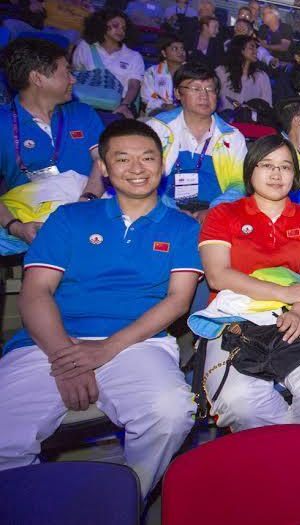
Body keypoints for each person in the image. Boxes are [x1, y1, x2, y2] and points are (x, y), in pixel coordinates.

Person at [0, 119, 200, 497]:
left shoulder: (182, 227)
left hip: (138, 342)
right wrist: (65, 357)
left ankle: (124, 499)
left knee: (171, 414)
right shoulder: (68, 218)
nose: (137, 168)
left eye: (148, 158)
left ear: (162, 165)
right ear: (104, 168)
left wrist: (106, 349)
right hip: (49, 341)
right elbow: (36, 292)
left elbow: (178, 300)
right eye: (123, 159)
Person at [196, 135, 300, 430]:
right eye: (267, 165)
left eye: (285, 167)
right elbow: (218, 275)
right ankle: (285, 448)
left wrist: (299, 311)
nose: (277, 174)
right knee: (239, 401)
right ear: (250, 169)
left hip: (294, 314)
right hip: (235, 320)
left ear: (295, 175)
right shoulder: (224, 215)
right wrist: (286, 292)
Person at [0, 38, 106, 250]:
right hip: (31, 216)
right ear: (37, 78)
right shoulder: (3, 123)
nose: (73, 79)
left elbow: (102, 161)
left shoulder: (82, 113)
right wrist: (15, 227)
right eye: (67, 72)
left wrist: (87, 200)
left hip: (89, 206)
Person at [145, 62, 246, 222]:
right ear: (178, 93)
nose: (204, 95)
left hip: (215, 212)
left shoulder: (231, 136)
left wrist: (214, 210)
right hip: (165, 209)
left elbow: (239, 183)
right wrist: (172, 210)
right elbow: (145, 178)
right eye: (196, 88)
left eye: (210, 89)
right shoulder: (157, 129)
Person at [72, 9, 144, 120]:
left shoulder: (134, 56)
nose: (120, 31)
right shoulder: (85, 47)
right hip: (84, 103)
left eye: (124, 28)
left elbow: (133, 85)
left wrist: (124, 105)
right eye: (115, 26)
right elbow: (75, 74)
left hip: (116, 107)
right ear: (101, 25)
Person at [216, 35, 272, 111]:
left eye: (256, 48)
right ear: (240, 49)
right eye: (251, 47)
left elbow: (267, 105)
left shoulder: (261, 76)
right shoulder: (221, 71)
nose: (256, 51)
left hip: (252, 117)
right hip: (225, 116)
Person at [141, 34, 185, 115]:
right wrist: (164, 105)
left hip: (185, 112)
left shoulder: (192, 71)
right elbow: (146, 97)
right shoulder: (152, 72)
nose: (181, 52)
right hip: (158, 112)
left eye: (182, 48)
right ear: (164, 53)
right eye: (175, 48)